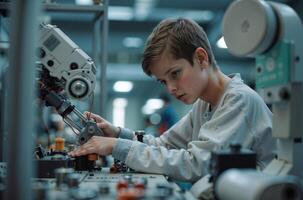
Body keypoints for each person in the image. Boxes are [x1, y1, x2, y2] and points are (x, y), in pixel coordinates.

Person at [69, 18, 276, 183]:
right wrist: (117, 134)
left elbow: (197, 164)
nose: (171, 88)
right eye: (163, 81)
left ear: (201, 58)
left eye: (175, 74)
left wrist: (117, 147)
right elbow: (164, 145)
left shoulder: (238, 101)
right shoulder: (204, 104)